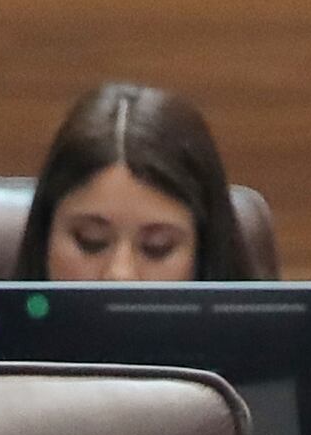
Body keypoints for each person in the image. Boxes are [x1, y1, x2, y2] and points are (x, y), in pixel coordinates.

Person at [17, 81, 249, 284]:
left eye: (158, 247)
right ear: (45, 238)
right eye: (90, 241)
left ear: (204, 254)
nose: (120, 274)